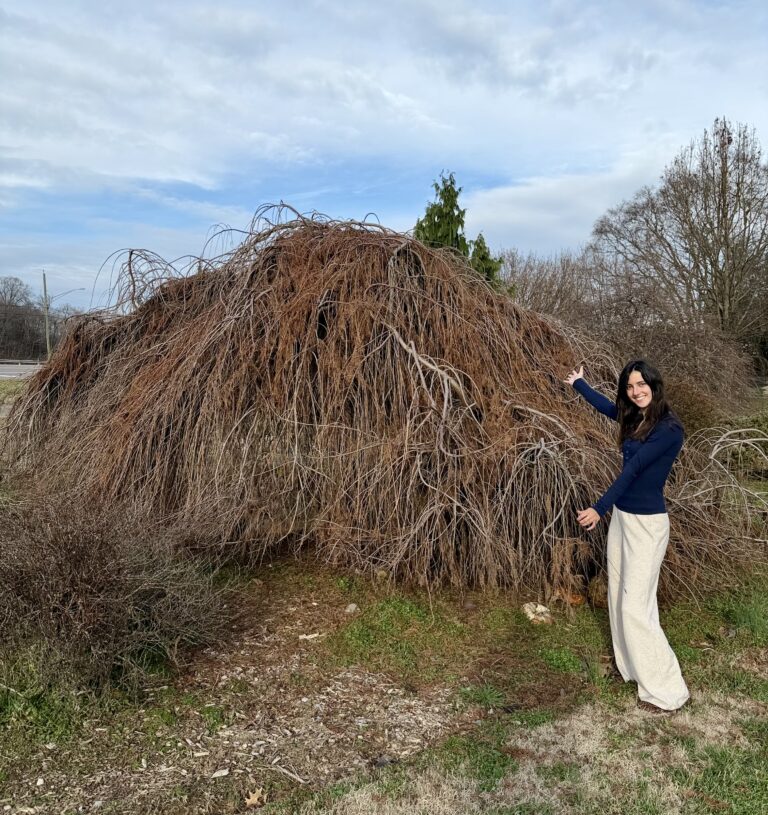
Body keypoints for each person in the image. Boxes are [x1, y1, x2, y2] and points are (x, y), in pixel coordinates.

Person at [564, 360, 689, 714]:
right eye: (630, 387)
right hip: (624, 518)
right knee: (620, 595)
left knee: (637, 606)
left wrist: (599, 507)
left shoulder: (669, 428)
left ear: (654, 383)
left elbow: (633, 470)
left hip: (648, 526)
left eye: (641, 385)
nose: (636, 392)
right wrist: (579, 384)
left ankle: (667, 692)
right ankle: (633, 669)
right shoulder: (636, 416)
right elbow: (608, 408)